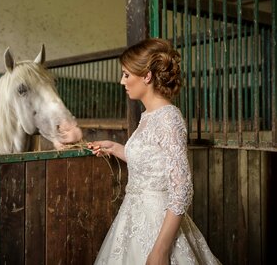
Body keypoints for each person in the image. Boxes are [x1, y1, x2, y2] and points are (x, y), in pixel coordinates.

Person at [87, 38, 221, 265]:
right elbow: (152, 163)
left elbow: (182, 189)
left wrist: (160, 249)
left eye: (126, 75)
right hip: (132, 215)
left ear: (147, 76)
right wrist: (115, 148)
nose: (122, 81)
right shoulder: (149, 116)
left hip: (157, 221)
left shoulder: (169, 118)